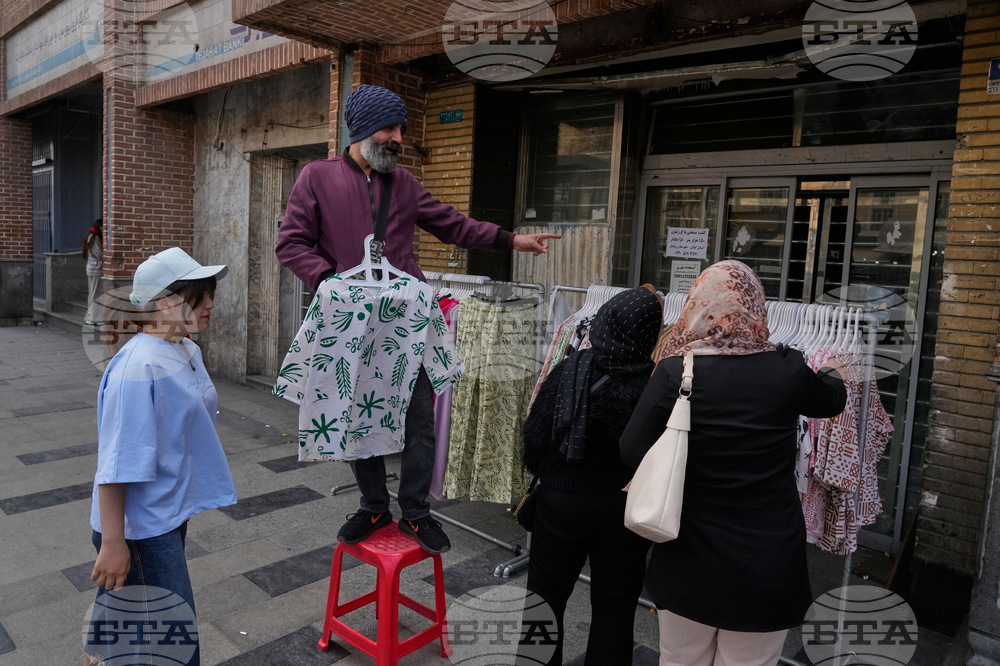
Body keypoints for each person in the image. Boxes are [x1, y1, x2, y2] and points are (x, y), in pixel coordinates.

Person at [276, 83, 559, 554]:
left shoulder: (404, 183)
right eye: (390, 129)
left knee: (420, 421)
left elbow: (453, 224)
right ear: (363, 129)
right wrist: (331, 281)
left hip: (408, 323)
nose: (399, 139)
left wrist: (511, 240)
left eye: (401, 130)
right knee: (354, 416)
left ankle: (416, 512)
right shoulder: (316, 177)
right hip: (349, 324)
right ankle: (373, 506)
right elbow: (291, 243)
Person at [620, 260, 848, 666]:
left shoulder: (677, 370)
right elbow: (832, 400)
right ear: (756, 305)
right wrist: (833, 370)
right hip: (766, 562)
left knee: (680, 661)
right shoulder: (788, 369)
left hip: (688, 554)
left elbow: (631, 449)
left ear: (700, 306)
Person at [84, 248, 235, 666]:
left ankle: (99, 654)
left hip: (166, 511)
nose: (211, 303)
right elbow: (116, 464)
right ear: (166, 302)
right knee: (172, 645)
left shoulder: (185, 349)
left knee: (138, 619)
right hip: (141, 528)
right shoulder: (137, 369)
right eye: (202, 294)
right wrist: (114, 542)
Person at [519, 286, 661, 665]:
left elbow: (535, 441)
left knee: (544, 604)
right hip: (625, 511)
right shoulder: (656, 383)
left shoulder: (571, 367)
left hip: (561, 503)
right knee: (615, 609)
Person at [82, 219, 103, 326]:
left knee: (92, 293)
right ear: (99, 227)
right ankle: (95, 318)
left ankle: (90, 316)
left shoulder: (90, 236)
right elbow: (99, 253)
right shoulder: (95, 238)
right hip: (96, 268)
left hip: (91, 267)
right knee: (96, 294)